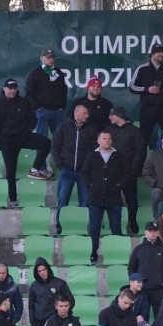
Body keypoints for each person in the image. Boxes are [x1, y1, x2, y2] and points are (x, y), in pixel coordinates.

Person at [0, 78, 51, 204]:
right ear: (4, 89)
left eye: (15, 88)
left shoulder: (24, 102)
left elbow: (33, 119)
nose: (12, 91)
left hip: (23, 136)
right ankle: (13, 199)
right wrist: (1, 136)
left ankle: (35, 169)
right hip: (7, 141)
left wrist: (28, 130)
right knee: (10, 172)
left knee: (46, 142)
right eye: (10, 88)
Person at [82, 130, 128, 263]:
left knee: (116, 227)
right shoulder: (92, 156)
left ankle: (117, 255)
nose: (107, 140)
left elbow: (126, 174)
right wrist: (91, 185)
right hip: (95, 198)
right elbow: (84, 173)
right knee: (94, 228)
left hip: (114, 198)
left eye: (109, 138)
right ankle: (93, 254)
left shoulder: (118, 156)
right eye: (104, 138)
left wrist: (119, 186)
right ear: (98, 141)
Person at [53, 104, 98, 234]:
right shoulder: (63, 127)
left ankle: (83, 227)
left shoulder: (91, 129)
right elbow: (55, 147)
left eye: (87, 114)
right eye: (85, 113)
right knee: (63, 199)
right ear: (76, 113)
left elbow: (94, 150)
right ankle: (60, 226)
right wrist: (60, 165)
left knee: (85, 201)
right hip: (66, 170)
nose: (87, 116)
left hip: (83, 173)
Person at [129, 43, 163, 148]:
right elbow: (132, 87)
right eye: (158, 52)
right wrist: (147, 89)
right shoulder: (142, 69)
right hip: (147, 109)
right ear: (152, 54)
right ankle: (142, 164)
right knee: (143, 139)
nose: (161, 54)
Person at [107, 107, 146, 235]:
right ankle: (115, 227)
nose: (110, 117)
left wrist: (134, 170)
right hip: (113, 172)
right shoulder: (108, 131)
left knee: (132, 199)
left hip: (129, 173)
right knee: (113, 200)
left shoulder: (134, 131)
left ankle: (132, 221)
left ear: (119, 116)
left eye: (112, 115)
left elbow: (140, 152)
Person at [127, 221, 163, 316]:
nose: (153, 233)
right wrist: (133, 282)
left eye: (155, 230)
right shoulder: (138, 249)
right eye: (150, 230)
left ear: (158, 232)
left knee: (160, 321)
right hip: (142, 290)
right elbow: (131, 267)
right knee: (141, 320)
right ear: (145, 232)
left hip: (159, 290)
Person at [25, 47, 68, 140]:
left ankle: (59, 155)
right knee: (41, 139)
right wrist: (37, 108)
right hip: (42, 110)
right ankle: (41, 155)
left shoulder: (58, 73)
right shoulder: (35, 73)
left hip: (57, 110)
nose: (51, 59)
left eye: (52, 57)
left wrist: (62, 107)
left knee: (61, 139)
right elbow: (29, 93)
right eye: (48, 57)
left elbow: (64, 90)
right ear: (41, 58)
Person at [28, 257, 75, 326]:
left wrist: (60, 316)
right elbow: (31, 304)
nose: (42, 273)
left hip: (55, 322)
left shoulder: (60, 283)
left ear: (48, 269)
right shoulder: (34, 286)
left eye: (44, 269)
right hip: (39, 323)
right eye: (39, 271)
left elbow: (71, 301)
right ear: (36, 272)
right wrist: (32, 321)